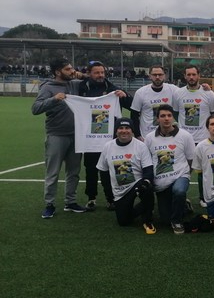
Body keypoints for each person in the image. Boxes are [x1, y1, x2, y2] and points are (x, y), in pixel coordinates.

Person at [32, 58, 86, 218]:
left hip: (77, 135)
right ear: (57, 72)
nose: (71, 71)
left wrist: (80, 74)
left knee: (74, 171)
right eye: (68, 69)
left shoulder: (74, 84)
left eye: (72, 69)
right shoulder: (48, 87)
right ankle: (50, 204)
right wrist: (53, 99)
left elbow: (94, 78)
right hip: (56, 134)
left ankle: (71, 202)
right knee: (53, 171)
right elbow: (35, 108)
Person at [79, 61, 131, 211]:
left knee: (108, 169)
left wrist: (124, 96)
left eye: (102, 72)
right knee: (90, 168)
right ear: (89, 73)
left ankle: (111, 198)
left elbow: (132, 104)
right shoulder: (82, 87)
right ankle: (91, 197)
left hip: (109, 139)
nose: (100, 75)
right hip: (89, 137)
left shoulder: (112, 89)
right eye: (97, 72)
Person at [96, 118, 156, 234]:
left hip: (136, 185)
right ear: (116, 131)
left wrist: (146, 183)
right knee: (124, 221)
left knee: (147, 187)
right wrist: (109, 196)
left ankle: (148, 219)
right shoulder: (108, 146)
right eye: (120, 128)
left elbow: (148, 170)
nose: (124, 131)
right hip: (120, 191)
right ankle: (144, 207)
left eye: (127, 128)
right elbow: (103, 172)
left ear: (132, 131)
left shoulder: (140, 146)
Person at [143, 104, 196, 234]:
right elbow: (147, 161)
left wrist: (185, 174)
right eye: (162, 116)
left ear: (173, 118)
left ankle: (177, 221)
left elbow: (190, 159)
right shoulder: (149, 138)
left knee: (178, 191)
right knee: (165, 219)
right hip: (161, 181)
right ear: (157, 119)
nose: (166, 119)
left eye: (169, 116)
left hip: (180, 175)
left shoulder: (185, 136)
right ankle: (183, 205)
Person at [172, 64, 214, 208]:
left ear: (198, 75)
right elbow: (175, 114)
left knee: (203, 169)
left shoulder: (208, 93)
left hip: (202, 138)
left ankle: (203, 197)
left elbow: (212, 115)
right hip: (183, 139)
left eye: (194, 74)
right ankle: (179, 198)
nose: (191, 77)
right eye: (188, 75)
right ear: (185, 76)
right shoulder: (178, 93)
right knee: (180, 169)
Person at [130, 65, 180, 141]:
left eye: (160, 75)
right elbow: (134, 115)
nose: (157, 77)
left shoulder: (173, 89)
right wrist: (138, 135)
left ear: (164, 76)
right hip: (147, 137)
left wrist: (203, 88)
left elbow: (187, 94)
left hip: (169, 136)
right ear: (150, 76)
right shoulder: (141, 92)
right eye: (154, 75)